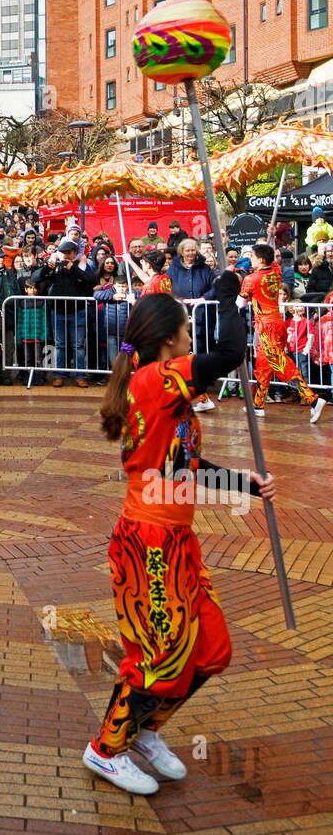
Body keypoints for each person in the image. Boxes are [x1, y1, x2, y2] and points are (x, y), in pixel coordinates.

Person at [83, 279, 275, 795]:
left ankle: (143, 730)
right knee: (158, 657)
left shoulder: (164, 391)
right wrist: (231, 293)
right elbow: (233, 352)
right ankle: (105, 748)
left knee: (211, 650)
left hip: (175, 539)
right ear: (168, 338)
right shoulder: (157, 379)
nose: (192, 337)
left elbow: (184, 467)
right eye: (188, 329)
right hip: (146, 539)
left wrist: (244, 483)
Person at [238, 243, 323, 422]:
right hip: (275, 325)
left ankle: (312, 400)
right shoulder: (276, 271)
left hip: (267, 328)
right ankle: (258, 404)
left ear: (260, 260)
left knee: (282, 365)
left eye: (252, 257)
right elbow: (273, 260)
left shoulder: (251, 279)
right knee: (263, 364)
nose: (249, 259)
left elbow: (240, 304)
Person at [168, 238, 217, 413]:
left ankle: (199, 391)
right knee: (182, 355)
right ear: (181, 252)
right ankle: (192, 392)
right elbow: (168, 287)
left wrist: (201, 299)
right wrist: (178, 301)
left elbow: (215, 287)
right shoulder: (173, 269)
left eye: (193, 251)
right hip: (181, 317)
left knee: (199, 354)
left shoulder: (205, 268)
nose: (191, 254)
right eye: (187, 251)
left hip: (202, 316)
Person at [42, 239, 98, 388]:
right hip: (58, 311)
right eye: (63, 253)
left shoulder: (82, 265)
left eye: (69, 253)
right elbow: (37, 278)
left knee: (78, 345)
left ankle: (80, 375)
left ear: (74, 253)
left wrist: (73, 268)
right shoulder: (55, 266)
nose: (66, 256)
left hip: (77, 311)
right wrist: (48, 267)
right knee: (60, 345)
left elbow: (92, 280)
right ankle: (59, 374)